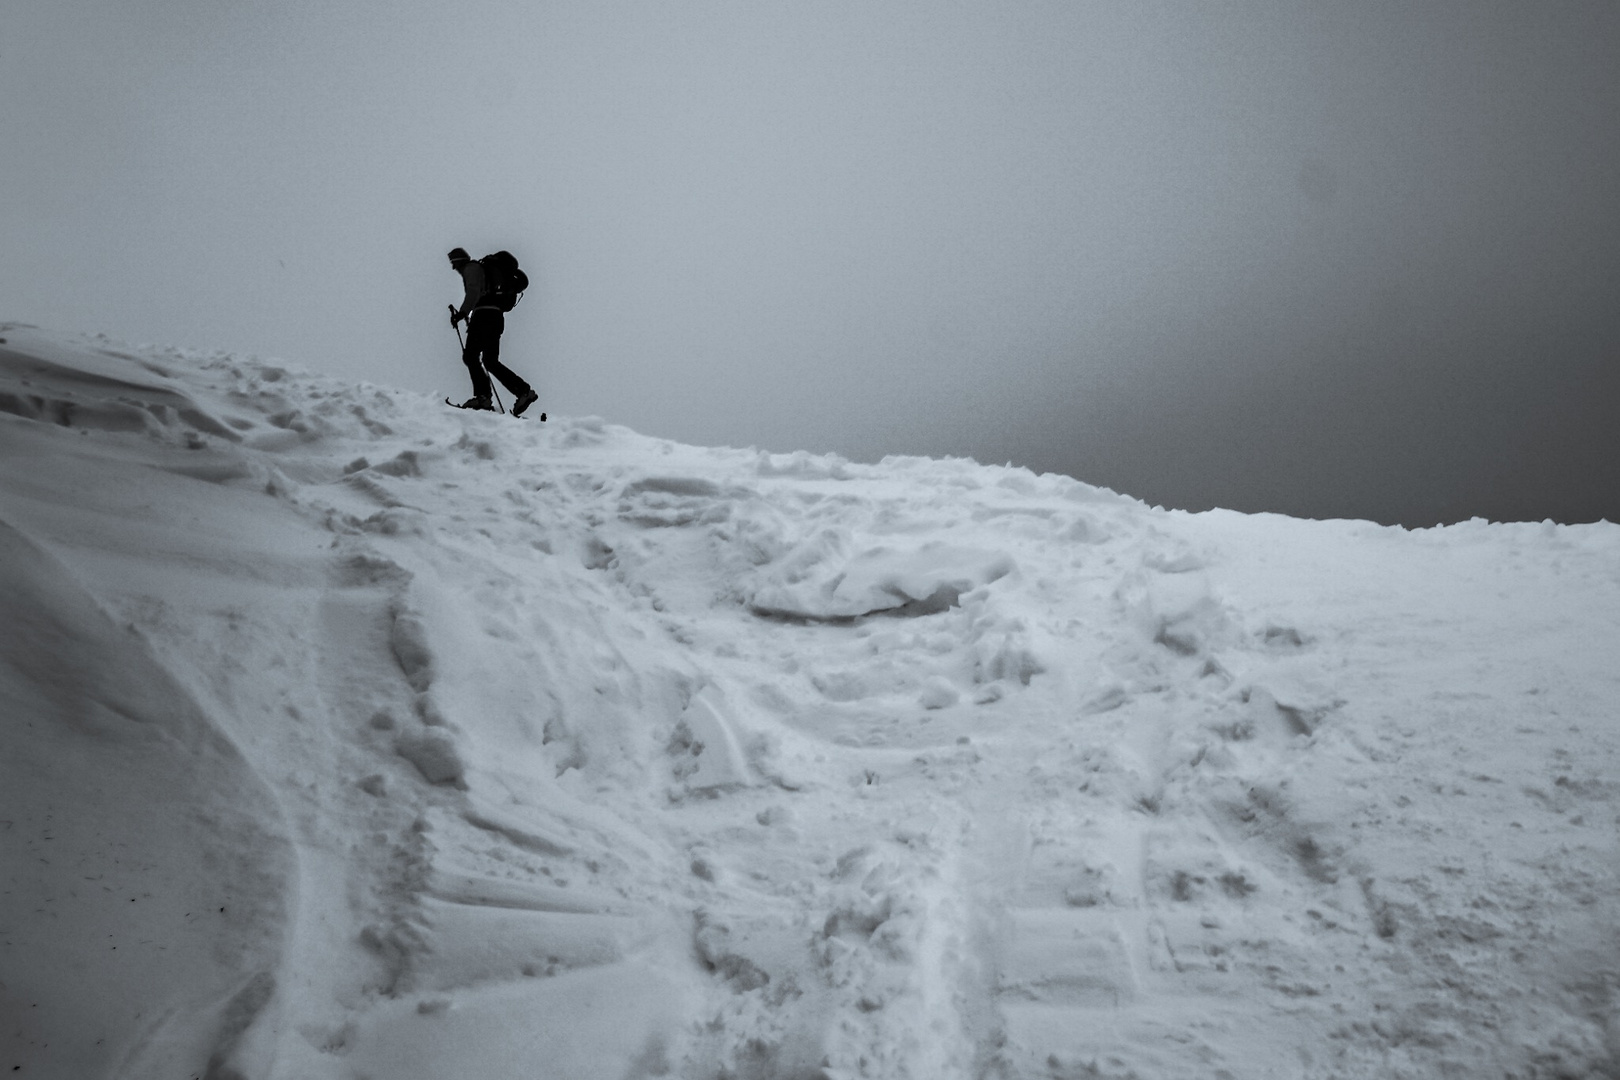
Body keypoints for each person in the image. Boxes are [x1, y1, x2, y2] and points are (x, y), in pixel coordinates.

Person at [448, 247, 540, 416]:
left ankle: (483, 397)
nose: (454, 268)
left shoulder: (471, 268)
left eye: (454, 264)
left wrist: (462, 313)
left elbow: (474, 291)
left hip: (483, 315)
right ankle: (523, 392)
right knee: (490, 361)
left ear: (459, 261)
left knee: (471, 356)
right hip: (496, 317)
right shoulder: (483, 270)